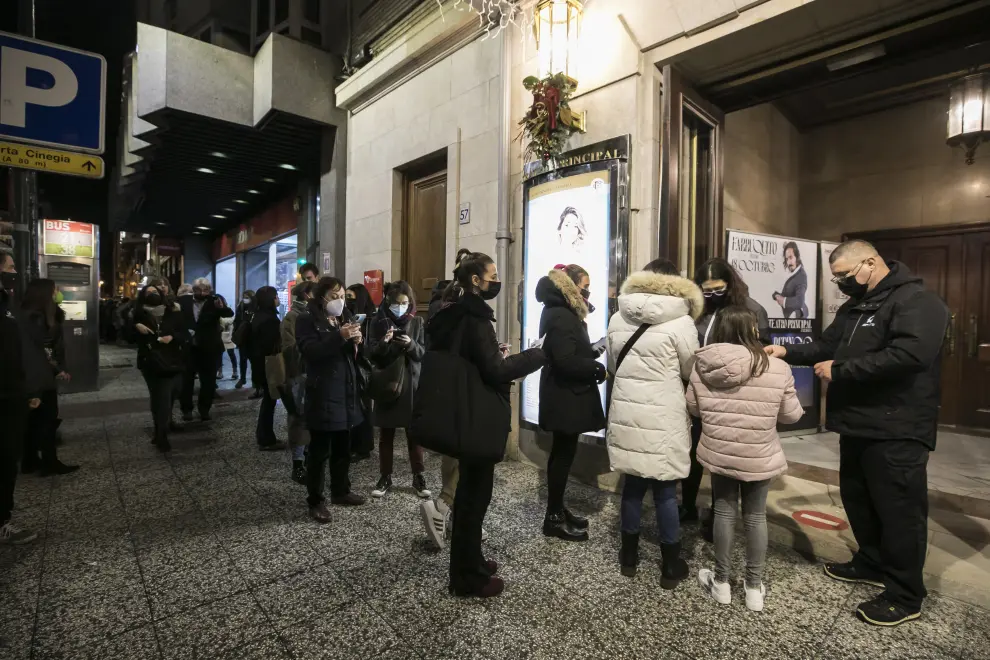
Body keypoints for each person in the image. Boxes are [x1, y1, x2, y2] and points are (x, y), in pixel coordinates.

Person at [766, 239, 949, 626]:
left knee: (899, 512)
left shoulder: (917, 301)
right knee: (860, 499)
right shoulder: (857, 305)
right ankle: (871, 561)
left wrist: (842, 371)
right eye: (837, 279)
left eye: (844, 276)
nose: (841, 284)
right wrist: (787, 352)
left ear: (871, 262)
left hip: (897, 428)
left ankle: (905, 594)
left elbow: (909, 357)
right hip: (857, 424)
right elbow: (824, 346)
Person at [426, 252, 545, 598]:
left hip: (463, 410)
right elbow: (495, 371)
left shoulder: (448, 310)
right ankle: (466, 578)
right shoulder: (475, 316)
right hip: (476, 415)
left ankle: (471, 561)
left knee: (468, 497)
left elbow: (471, 359)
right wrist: (536, 355)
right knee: (474, 500)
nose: (496, 280)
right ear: (475, 280)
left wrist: (494, 354)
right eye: (492, 275)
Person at [688, 306, 803, 612]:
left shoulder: (702, 365)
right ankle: (753, 588)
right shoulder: (777, 368)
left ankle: (722, 583)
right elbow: (791, 416)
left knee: (724, 512)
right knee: (755, 516)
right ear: (753, 331)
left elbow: (694, 409)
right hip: (759, 454)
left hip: (719, 451)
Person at [606, 258, 702, 586]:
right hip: (664, 413)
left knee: (633, 484)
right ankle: (670, 566)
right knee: (664, 488)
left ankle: (629, 557)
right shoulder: (683, 321)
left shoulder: (618, 316)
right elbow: (691, 369)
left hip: (628, 411)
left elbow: (613, 365)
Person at [684, 258, 771, 537]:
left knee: (725, 460)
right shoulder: (698, 310)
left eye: (717, 289)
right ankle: (687, 505)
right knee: (696, 451)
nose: (712, 296)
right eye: (705, 290)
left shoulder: (752, 309)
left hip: (736, 396)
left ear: (730, 284)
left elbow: (763, 350)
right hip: (702, 392)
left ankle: (719, 516)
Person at [535, 264, 606, 542]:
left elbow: (569, 351)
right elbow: (565, 361)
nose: (587, 291)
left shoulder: (561, 311)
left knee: (562, 456)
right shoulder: (561, 315)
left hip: (564, 394)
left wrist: (591, 351)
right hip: (565, 396)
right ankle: (552, 518)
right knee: (562, 458)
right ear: (571, 286)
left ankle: (557, 510)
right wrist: (595, 368)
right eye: (584, 285)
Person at [419, 247, 479, 549]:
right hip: (464, 390)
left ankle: (448, 514)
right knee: (466, 456)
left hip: (446, 389)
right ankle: (443, 507)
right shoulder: (462, 308)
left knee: (453, 454)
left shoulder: (439, 305)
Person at [296, 276, 368, 523]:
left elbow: (354, 355)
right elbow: (311, 352)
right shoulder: (307, 320)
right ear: (321, 297)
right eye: (334, 296)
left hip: (346, 392)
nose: (339, 300)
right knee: (319, 451)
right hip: (324, 393)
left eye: (342, 295)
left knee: (342, 447)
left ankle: (341, 491)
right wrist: (339, 336)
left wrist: (358, 341)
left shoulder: (343, 317)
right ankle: (315, 501)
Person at [367, 281, 429, 499]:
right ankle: (385, 476)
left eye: (404, 303)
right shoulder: (377, 321)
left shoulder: (418, 322)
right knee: (386, 434)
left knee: (415, 434)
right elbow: (371, 353)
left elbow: (422, 353)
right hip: (387, 383)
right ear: (388, 302)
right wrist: (386, 343)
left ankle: (418, 477)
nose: (400, 307)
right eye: (396, 303)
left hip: (411, 385)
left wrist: (410, 344)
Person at [19, 279, 79, 477]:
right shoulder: (36, 319)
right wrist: (57, 369)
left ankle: (30, 460)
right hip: (39, 377)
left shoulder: (28, 315)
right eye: (56, 290)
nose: (58, 293)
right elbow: (42, 351)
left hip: (36, 375)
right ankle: (49, 462)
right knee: (46, 419)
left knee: (33, 420)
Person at [0, 251, 37, 544]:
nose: (14, 272)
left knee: (8, 457)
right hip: (5, 394)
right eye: (10, 268)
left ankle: (3, 517)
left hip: (12, 393)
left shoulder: (6, 304)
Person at [132, 283, 187, 452]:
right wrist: (135, 327)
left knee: (170, 395)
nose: (152, 294)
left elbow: (184, 333)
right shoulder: (138, 313)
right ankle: (161, 434)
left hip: (172, 359)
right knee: (161, 397)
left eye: (154, 292)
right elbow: (126, 335)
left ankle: (163, 426)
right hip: (151, 361)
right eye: (148, 292)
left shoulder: (173, 311)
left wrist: (172, 337)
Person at [178, 278, 233, 422]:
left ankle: (204, 409)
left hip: (209, 347)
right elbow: (176, 319)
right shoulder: (183, 301)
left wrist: (220, 307)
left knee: (208, 381)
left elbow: (229, 313)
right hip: (189, 347)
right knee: (186, 381)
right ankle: (187, 410)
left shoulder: (214, 300)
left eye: (206, 290)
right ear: (193, 290)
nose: (202, 293)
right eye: (199, 290)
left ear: (210, 290)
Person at [282, 281, 314, 483]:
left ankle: (310, 456)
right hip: (299, 374)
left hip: (316, 373)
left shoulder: (316, 315)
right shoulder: (292, 317)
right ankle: (298, 463)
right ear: (306, 295)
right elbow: (289, 349)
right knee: (299, 419)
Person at [250, 286, 286, 451]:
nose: (278, 299)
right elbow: (272, 345)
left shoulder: (257, 316)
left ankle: (264, 436)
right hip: (268, 363)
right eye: (276, 296)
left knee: (269, 400)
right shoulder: (270, 320)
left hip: (259, 363)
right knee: (269, 400)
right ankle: (266, 438)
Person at [345, 283, 377, 461]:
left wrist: (360, 340)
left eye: (351, 297)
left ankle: (363, 447)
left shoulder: (372, 318)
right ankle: (353, 444)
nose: (347, 301)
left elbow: (372, 347)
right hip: (351, 367)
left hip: (363, 368)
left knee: (364, 408)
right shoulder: (348, 316)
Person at [774, 241, 809, 319]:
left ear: (797, 257)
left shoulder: (801, 275)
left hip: (797, 320)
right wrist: (776, 295)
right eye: (787, 259)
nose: (789, 262)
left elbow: (799, 301)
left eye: (790, 257)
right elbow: (789, 293)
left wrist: (784, 301)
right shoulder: (794, 273)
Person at [233, 290, 256, 389]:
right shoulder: (241, 307)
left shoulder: (255, 307)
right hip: (243, 338)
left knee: (254, 360)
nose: (245, 299)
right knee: (243, 359)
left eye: (247, 297)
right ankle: (242, 379)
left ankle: (255, 380)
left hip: (252, 337)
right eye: (244, 297)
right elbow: (236, 320)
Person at [216, 295, 238, 381]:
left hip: (229, 335)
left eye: (220, 301)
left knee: (231, 354)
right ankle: (220, 372)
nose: (220, 303)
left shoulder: (227, 310)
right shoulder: (215, 311)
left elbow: (231, 320)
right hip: (219, 336)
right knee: (219, 355)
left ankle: (235, 371)